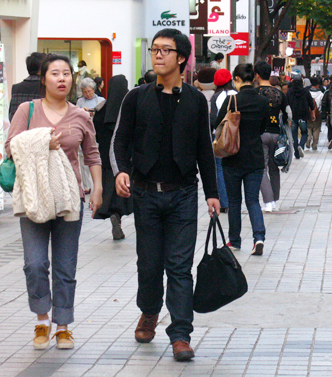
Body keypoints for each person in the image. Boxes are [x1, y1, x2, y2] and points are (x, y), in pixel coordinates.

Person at [111, 28, 220, 361]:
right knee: (149, 264)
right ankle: (149, 310)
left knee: (179, 266)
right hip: (145, 193)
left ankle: (181, 334)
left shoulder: (195, 101)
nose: (158, 55)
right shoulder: (136, 97)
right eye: (154, 50)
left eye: (165, 50)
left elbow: (205, 148)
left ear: (182, 58)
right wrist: (122, 171)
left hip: (183, 193)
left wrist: (212, 194)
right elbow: (119, 141)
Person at [5, 53, 102, 350]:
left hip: (70, 198)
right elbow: (10, 146)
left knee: (64, 266)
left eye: (66, 74)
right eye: (55, 73)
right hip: (34, 197)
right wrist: (41, 141)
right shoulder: (27, 109)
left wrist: (97, 188)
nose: (62, 79)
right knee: (35, 264)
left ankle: (62, 325)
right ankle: (41, 318)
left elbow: (92, 155)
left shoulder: (81, 115)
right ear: (43, 78)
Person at [215, 64, 270, 255]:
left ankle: (235, 240)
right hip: (255, 157)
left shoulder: (231, 101)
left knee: (235, 201)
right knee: (253, 200)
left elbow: (217, 124)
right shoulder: (263, 102)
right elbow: (263, 127)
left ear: (236, 79)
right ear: (253, 78)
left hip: (233, 157)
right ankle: (259, 238)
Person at [92, 75, 132, 240]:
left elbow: (95, 134)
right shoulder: (130, 109)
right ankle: (118, 213)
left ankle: (113, 213)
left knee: (109, 187)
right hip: (125, 157)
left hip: (105, 158)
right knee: (124, 189)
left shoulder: (102, 110)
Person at [255, 61, 288, 213]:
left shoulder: (255, 93)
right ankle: (274, 200)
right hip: (276, 133)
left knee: (261, 168)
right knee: (274, 168)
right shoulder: (279, 93)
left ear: (256, 74)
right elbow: (287, 114)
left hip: (260, 134)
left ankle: (268, 201)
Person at [209, 68, 238, 214]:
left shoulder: (216, 97)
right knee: (235, 168)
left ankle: (225, 202)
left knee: (219, 169)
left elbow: (213, 119)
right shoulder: (237, 95)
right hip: (236, 136)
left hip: (220, 136)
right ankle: (235, 200)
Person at [9, 52, 46, 121]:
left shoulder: (16, 88)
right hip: (41, 130)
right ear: (42, 69)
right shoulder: (47, 88)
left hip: (20, 129)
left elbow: (11, 116)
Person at [287, 77, 315, 159]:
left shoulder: (289, 92)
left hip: (293, 116)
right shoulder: (305, 91)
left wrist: (287, 117)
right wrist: (312, 113)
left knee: (294, 135)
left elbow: (286, 104)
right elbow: (311, 103)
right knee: (304, 133)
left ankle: (296, 152)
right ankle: (301, 146)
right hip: (303, 116)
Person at [306, 77, 324, 150]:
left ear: (311, 84)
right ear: (318, 85)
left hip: (308, 114)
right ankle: (314, 144)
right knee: (316, 129)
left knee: (309, 127)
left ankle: (308, 140)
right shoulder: (321, 94)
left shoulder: (307, 93)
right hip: (317, 114)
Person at [321, 80, 332, 149]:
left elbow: (324, 103)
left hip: (330, 113)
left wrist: (324, 112)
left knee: (330, 127)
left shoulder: (327, 93)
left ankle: (330, 138)